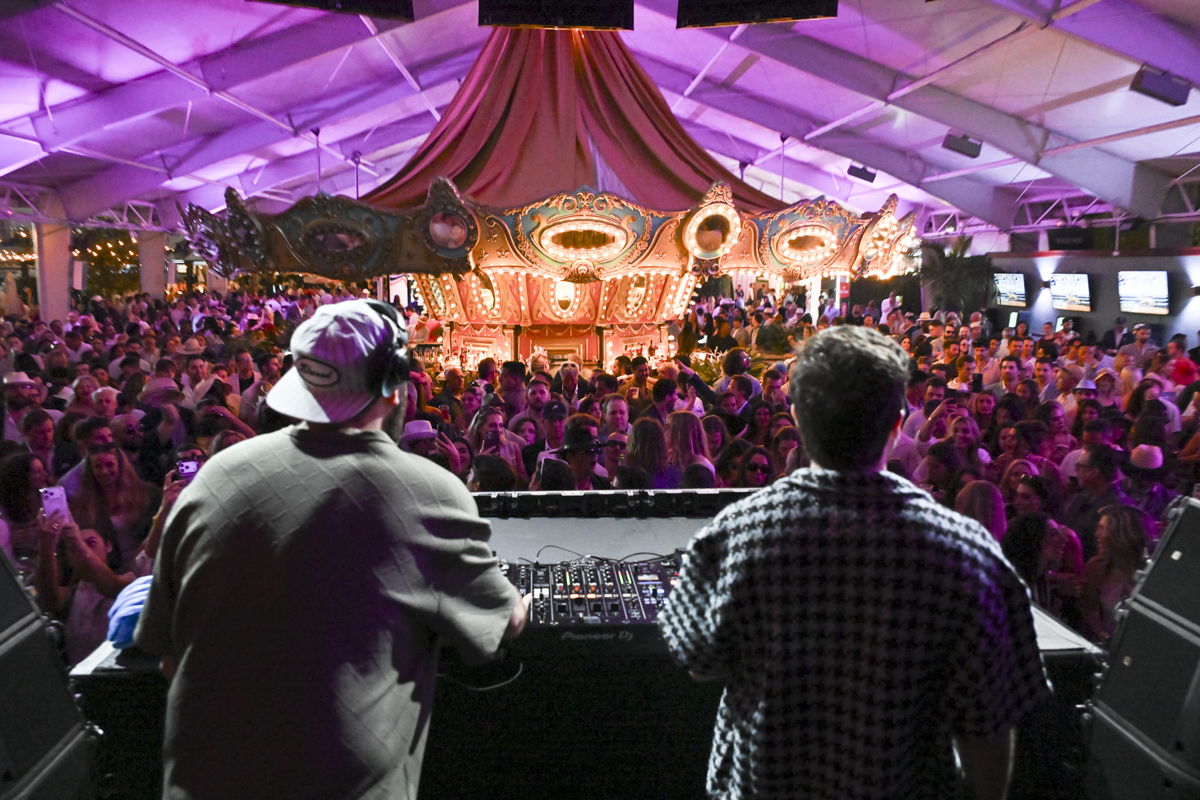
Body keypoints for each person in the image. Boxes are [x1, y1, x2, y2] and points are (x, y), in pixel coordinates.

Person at [134, 300, 527, 800]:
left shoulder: (215, 475)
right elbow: (501, 627)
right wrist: (521, 602)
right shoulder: (427, 489)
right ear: (395, 386)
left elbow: (166, 654)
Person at [659, 326, 1048, 800]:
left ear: (798, 418)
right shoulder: (970, 553)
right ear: (897, 422)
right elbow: (988, 725)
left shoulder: (736, 533)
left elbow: (699, 662)